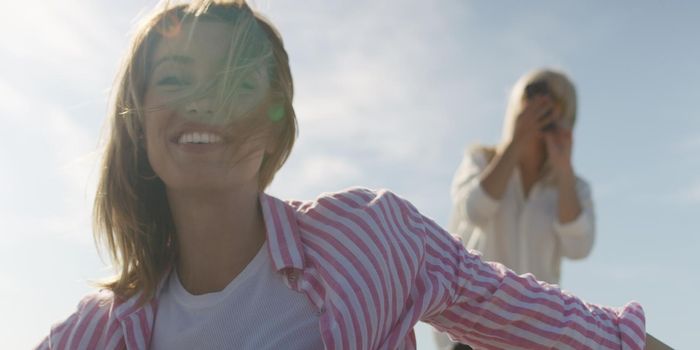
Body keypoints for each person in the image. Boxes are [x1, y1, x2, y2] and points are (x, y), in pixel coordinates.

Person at [35, 1, 648, 349]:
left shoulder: (369, 238)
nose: (205, 99)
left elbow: (582, 328)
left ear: (277, 126)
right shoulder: (97, 331)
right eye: (174, 77)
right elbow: (477, 210)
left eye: (237, 79)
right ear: (137, 124)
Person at [435, 69, 595, 349]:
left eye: (556, 100)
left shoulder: (574, 187)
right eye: (535, 93)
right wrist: (515, 142)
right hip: (469, 329)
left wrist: (563, 169)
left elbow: (579, 247)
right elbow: (474, 209)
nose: (545, 105)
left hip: (534, 335)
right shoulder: (481, 160)